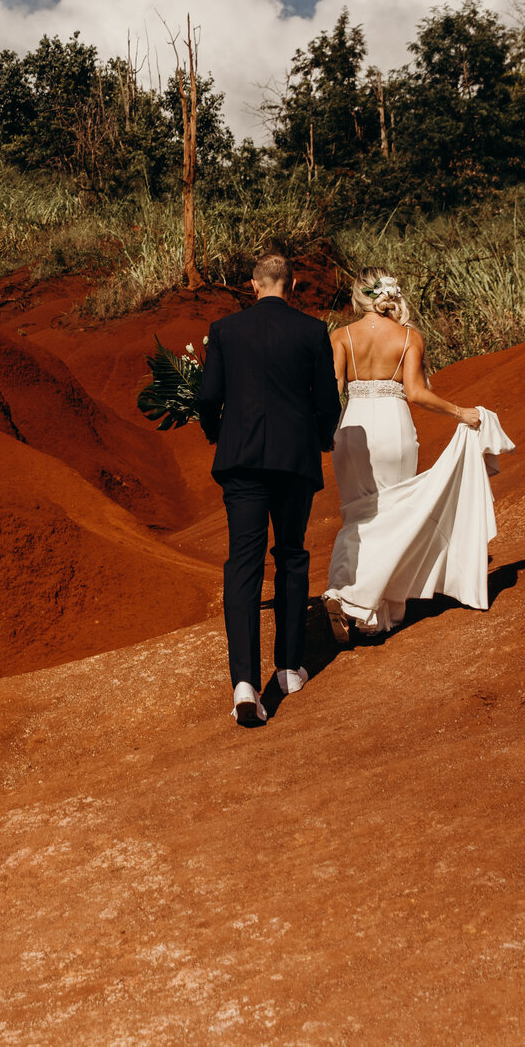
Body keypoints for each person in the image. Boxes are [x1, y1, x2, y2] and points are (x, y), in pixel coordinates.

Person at [194, 246, 343, 728]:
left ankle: (244, 683)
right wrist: (319, 442)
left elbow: (209, 396)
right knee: (292, 554)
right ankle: (289, 669)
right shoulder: (312, 330)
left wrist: (218, 433)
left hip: (241, 462)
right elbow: (327, 403)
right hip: (294, 461)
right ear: (293, 285)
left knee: (243, 562)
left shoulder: (225, 330)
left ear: (254, 286)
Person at [324, 270, 508, 643]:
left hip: (353, 426)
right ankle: (372, 609)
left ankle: (351, 596)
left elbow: (333, 391)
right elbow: (416, 394)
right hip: (394, 428)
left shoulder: (340, 336)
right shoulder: (409, 337)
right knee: (393, 513)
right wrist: (462, 412)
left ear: (359, 298)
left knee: (357, 513)